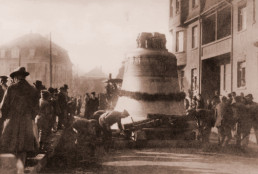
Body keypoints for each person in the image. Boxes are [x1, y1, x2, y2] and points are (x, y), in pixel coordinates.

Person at [0, 67, 38, 166]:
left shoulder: (11, 88)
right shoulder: (32, 89)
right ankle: (21, 167)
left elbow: (3, 106)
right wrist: (30, 117)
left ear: (16, 77)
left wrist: (4, 118)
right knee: (24, 147)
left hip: (13, 120)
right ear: (24, 76)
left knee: (11, 146)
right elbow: (36, 108)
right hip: (26, 121)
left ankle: (13, 169)